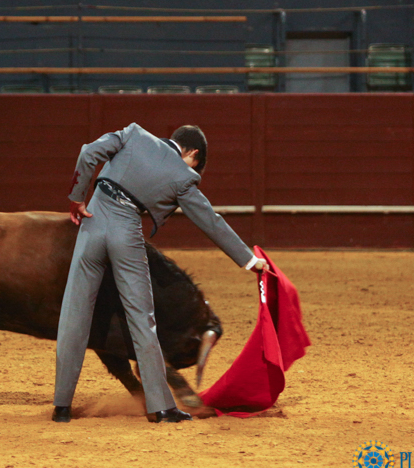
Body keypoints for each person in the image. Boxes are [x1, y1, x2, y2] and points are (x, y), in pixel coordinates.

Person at [52, 123, 269, 424]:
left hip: (92, 221)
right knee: (141, 318)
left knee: (74, 313)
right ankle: (160, 407)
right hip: (125, 231)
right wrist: (248, 260)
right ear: (191, 153)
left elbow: (89, 152)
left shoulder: (133, 134)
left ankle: (61, 406)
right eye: (196, 164)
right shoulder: (183, 177)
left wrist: (77, 197)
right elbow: (211, 221)